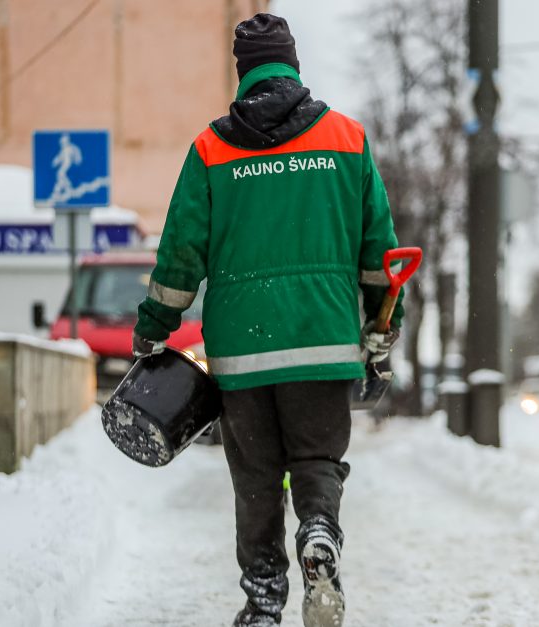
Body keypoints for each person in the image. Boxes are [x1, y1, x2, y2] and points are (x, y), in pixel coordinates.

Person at [132, 13, 404, 627]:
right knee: (316, 459)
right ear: (294, 65)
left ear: (242, 73)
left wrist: (153, 325)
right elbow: (380, 253)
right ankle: (318, 529)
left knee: (256, 478)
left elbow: (181, 254)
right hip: (323, 340)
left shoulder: (211, 148)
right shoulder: (346, 139)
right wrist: (385, 327)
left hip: (242, 351)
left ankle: (262, 600)